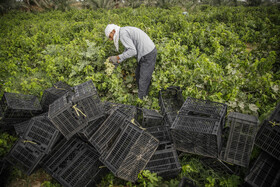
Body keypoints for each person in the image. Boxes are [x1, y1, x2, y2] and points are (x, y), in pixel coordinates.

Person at [105, 24, 157, 99]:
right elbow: (128, 48)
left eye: (110, 36)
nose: (110, 39)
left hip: (148, 54)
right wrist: (119, 60)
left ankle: (142, 102)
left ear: (113, 31)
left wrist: (117, 57)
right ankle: (143, 94)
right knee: (138, 75)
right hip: (144, 54)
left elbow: (133, 51)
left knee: (143, 80)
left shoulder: (123, 34)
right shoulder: (123, 31)